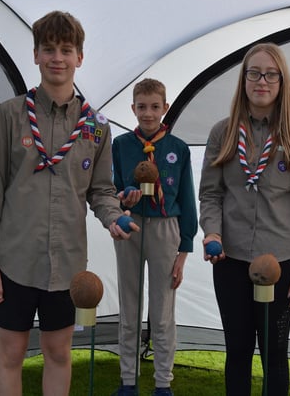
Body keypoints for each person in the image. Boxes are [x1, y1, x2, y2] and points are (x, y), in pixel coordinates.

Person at [0, 10, 137, 396]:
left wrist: (114, 218)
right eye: (49, 49)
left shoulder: (96, 126)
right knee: (9, 354)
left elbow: (101, 190)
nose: (57, 58)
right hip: (13, 263)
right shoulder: (9, 115)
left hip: (67, 267)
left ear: (80, 57)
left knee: (59, 352)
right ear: (35, 55)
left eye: (66, 49)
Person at [198, 43, 290, 396]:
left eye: (270, 74)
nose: (262, 81)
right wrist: (212, 232)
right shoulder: (222, 133)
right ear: (244, 79)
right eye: (254, 73)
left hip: (283, 263)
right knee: (237, 351)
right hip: (230, 260)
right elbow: (211, 194)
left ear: (282, 81)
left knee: (274, 354)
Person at [111, 78, 198, 396]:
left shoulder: (178, 149)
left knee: (162, 310)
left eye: (154, 107)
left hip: (166, 228)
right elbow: (114, 189)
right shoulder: (121, 145)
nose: (148, 114)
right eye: (142, 107)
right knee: (129, 305)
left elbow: (187, 199)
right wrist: (125, 199)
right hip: (131, 227)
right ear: (133, 108)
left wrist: (184, 248)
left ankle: (163, 383)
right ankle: (128, 380)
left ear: (166, 108)